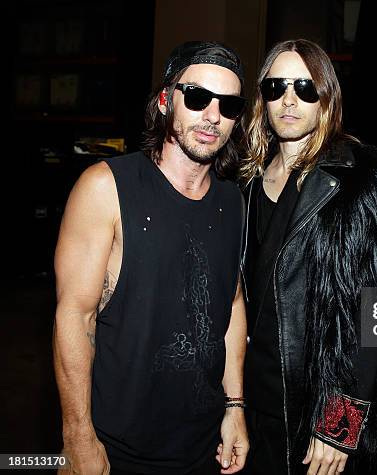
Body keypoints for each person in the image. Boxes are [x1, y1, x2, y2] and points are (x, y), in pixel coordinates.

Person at [53, 41, 249, 474]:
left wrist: (234, 408)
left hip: (204, 447)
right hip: (117, 449)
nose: (212, 116)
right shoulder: (105, 187)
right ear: (165, 100)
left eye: (229, 105)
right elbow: (75, 316)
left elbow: (231, 304)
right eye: (197, 98)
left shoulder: (233, 201)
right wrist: (77, 437)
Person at [239, 39, 377, 475]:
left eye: (305, 87)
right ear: (262, 100)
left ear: (326, 98)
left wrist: (339, 426)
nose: (290, 99)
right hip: (250, 405)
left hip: (316, 413)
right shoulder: (243, 185)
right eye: (276, 87)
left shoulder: (360, 184)